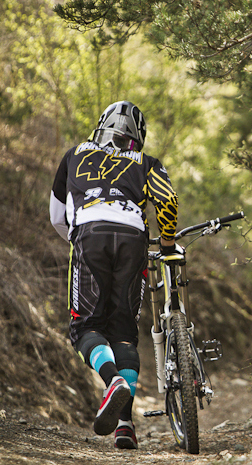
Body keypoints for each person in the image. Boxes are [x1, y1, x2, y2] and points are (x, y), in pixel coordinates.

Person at [49, 101, 179, 449]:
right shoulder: (146, 162)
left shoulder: (74, 155)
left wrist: (80, 240)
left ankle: (111, 381)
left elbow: (57, 217)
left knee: (85, 328)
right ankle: (125, 426)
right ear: (138, 136)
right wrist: (167, 243)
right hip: (134, 239)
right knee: (123, 333)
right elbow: (167, 200)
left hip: (90, 234)